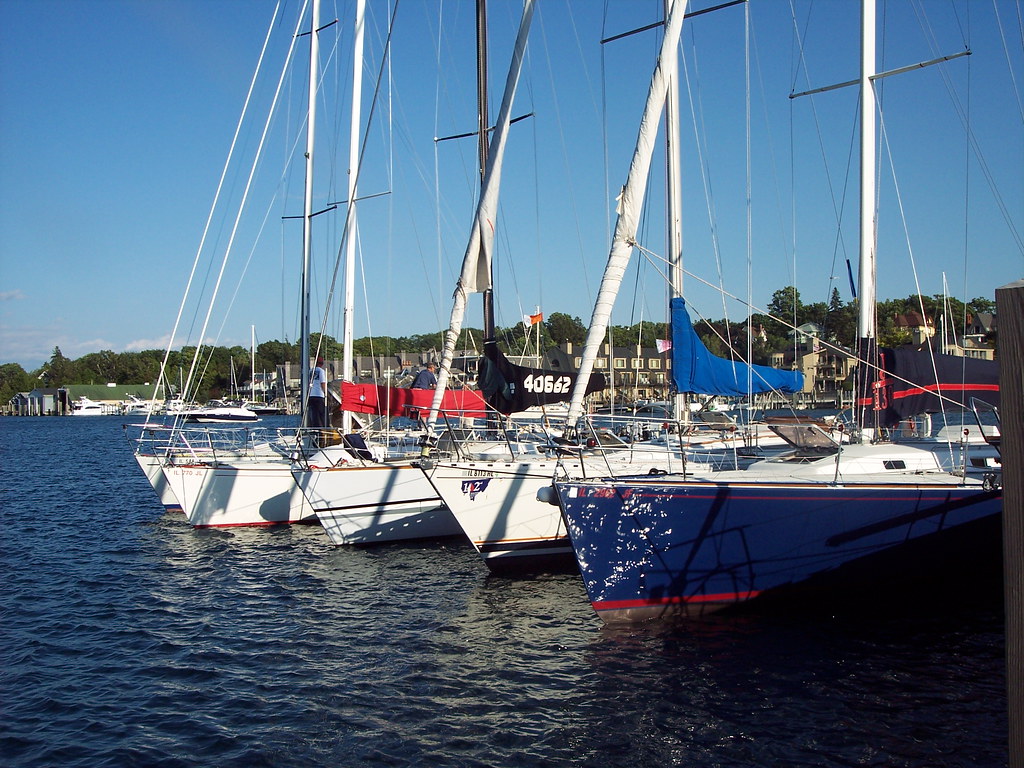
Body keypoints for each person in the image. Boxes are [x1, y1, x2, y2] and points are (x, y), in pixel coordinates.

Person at [307, 356, 327, 428]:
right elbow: (322, 383)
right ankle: (321, 429)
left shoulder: (310, 371)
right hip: (319, 395)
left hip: (311, 395)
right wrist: (325, 393)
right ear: (322, 363)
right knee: (321, 413)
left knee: (314, 414)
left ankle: (314, 428)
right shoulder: (321, 371)